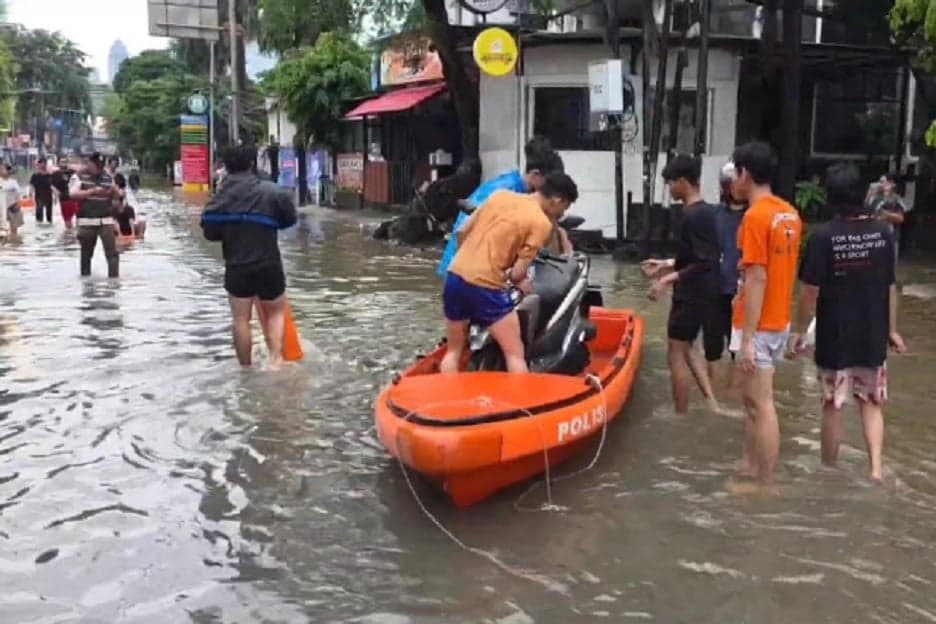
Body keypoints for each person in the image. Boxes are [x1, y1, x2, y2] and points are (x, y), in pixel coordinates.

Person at [790, 163, 906, 484]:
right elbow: (890, 286)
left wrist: (798, 332)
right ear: (863, 194)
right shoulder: (883, 234)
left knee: (833, 404)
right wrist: (892, 329)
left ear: (831, 196)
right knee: (872, 402)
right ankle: (876, 469)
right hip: (872, 333)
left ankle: (829, 469)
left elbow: (809, 293)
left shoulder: (823, 237)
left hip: (835, 334)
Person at [440, 172, 579, 374]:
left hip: (455, 276)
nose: (561, 213)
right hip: (485, 287)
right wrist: (522, 283)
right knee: (514, 354)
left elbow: (462, 233)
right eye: (564, 208)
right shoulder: (541, 223)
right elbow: (517, 274)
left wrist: (469, 261)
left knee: (453, 352)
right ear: (558, 200)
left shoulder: (500, 196)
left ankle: (448, 392)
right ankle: (520, 395)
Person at [727, 141, 802, 487]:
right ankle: (749, 465)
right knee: (752, 403)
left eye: (735, 173)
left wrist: (747, 339)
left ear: (745, 174)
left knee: (762, 404)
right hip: (777, 319)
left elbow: (757, 277)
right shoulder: (788, 213)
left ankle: (765, 483)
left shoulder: (755, 217)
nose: (732, 181)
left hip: (757, 323)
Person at [200, 144, 297, 370]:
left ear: (226, 167)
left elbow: (209, 231)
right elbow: (289, 219)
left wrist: (230, 230)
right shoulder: (272, 191)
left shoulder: (219, 198)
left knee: (240, 320)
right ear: (253, 164)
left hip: (237, 266)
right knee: (275, 312)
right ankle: (275, 362)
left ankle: (245, 370)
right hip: (268, 263)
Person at [641, 154, 723, 414]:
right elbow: (698, 256)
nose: (669, 189)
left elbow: (703, 262)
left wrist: (665, 280)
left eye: (671, 183)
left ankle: (680, 414)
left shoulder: (692, 216)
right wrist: (665, 264)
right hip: (704, 291)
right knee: (688, 347)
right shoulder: (707, 211)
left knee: (675, 352)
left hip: (692, 293)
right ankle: (712, 404)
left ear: (684, 182)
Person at [436, 136, 567, 277]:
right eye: (550, 184)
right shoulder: (505, 190)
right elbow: (467, 228)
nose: (551, 190)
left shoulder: (525, 193)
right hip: (464, 268)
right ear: (535, 175)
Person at [710, 161, 748, 382]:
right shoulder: (714, 214)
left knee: (740, 348)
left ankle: (737, 388)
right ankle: (715, 391)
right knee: (713, 347)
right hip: (716, 288)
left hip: (743, 290)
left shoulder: (754, 216)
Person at [69, 152, 121, 278]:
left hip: (106, 220)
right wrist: (91, 192)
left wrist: (115, 194)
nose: (98, 168)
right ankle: (86, 282)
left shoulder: (108, 177)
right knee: (86, 254)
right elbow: (73, 194)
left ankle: (114, 282)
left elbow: (117, 196)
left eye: (100, 165)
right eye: (96, 165)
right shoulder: (79, 176)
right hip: (87, 221)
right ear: (89, 163)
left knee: (112, 254)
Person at [865, 173, 909, 264]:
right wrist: (870, 191)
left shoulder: (896, 199)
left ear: (892, 184)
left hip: (891, 238)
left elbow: (900, 218)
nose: (881, 184)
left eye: (884, 182)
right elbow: (866, 208)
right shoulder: (875, 198)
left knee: (890, 264)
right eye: (880, 182)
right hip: (875, 238)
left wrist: (886, 215)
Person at [51, 154, 79, 229]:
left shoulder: (73, 172)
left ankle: (75, 233)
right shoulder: (56, 174)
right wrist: (56, 195)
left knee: (78, 217)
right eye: (62, 162)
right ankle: (69, 233)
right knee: (67, 219)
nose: (64, 163)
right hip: (64, 198)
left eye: (65, 162)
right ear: (58, 163)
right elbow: (52, 185)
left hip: (75, 198)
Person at [29, 157, 54, 224]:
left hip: (48, 195)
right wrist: (30, 193)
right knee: (39, 209)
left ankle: (49, 222)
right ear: (39, 165)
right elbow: (31, 185)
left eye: (44, 163)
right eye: (41, 163)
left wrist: (56, 196)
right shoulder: (35, 175)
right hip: (39, 195)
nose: (43, 165)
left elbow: (53, 186)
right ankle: (39, 222)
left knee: (49, 212)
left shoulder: (49, 175)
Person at [1, 162, 21, 242]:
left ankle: (14, 242)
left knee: (14, 229)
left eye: (2, 169)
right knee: (2, 228)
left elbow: (18, 194)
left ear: (8, 171)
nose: (1, 170)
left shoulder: (13, 182)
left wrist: (19, 204)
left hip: (13, 206)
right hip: (2, 207)